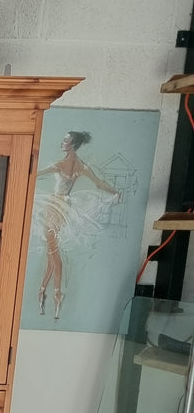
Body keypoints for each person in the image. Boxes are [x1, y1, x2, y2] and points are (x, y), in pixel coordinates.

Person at [36, 130, 121, 321]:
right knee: (51, 250)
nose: (62, 142)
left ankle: (56, 293)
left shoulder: (61, 164)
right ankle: (43, 290)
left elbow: (36, 174)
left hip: (54, 206)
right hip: (64, 206)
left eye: (65, 140)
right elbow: (99, 184)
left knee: (53, 251)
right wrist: (115, 191)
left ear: (72, 144)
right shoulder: (81, 165)